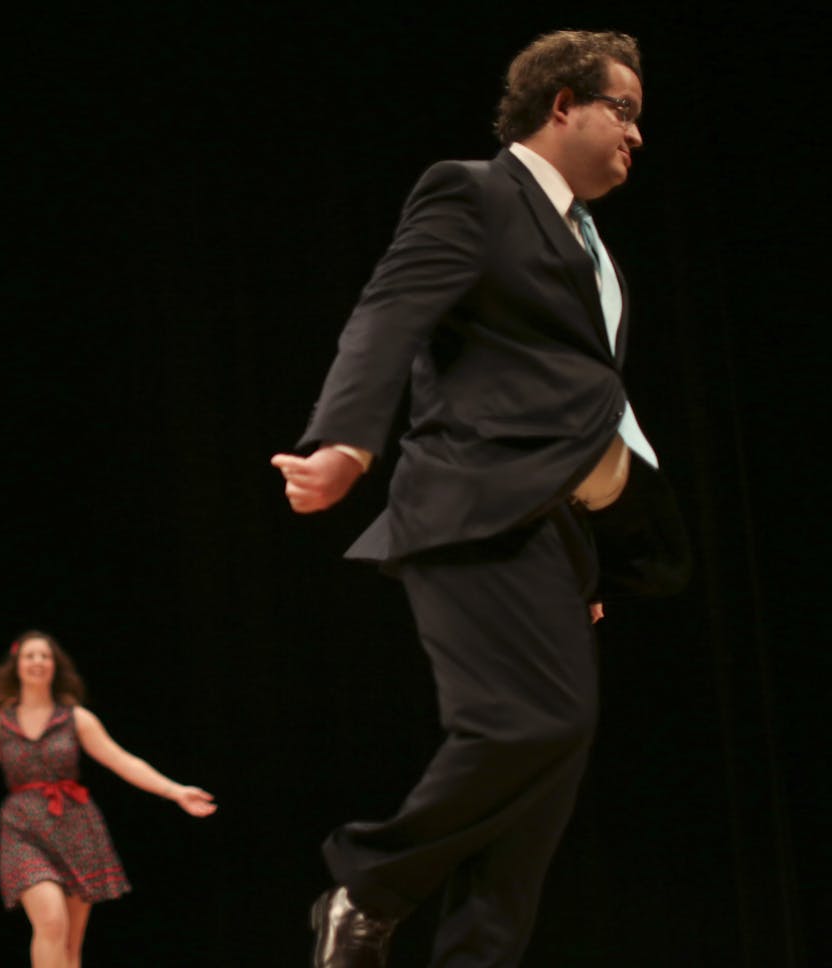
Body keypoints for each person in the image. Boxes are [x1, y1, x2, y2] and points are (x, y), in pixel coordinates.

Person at [271, 30, 689, 968]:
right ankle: (366, 887)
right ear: (562, 105)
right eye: (621, 110)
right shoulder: (475, 191)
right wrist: (344, 442)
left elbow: (581, 396)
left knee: (544, 778)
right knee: (531, 725)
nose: (635, 135)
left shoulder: (590, 241)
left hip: (557, 528)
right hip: (473, 509)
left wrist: (598, 545)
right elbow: (389, 311)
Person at [0, 630, 217, 968]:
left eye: (45, 656)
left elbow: (122, 760)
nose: (38, 662)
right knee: (51, 921)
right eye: (30, 656)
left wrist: (175, 790)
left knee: (70, 948)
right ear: (17, 666)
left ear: (55, 666)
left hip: (75, 829)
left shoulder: (76, 719)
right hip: (23, 830)